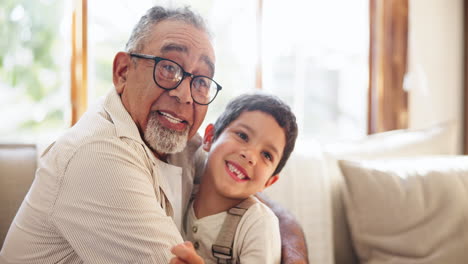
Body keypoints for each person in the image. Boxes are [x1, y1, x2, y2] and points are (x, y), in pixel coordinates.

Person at [0, 5, 307, 264]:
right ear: (123, 71)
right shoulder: (98, 155)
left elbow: (238, 183)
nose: (185, 94)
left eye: (201, 81)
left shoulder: (172, 139)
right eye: (169, 68)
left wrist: (281, 237)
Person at [171, 93, 298, 264]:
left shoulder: (259, 224)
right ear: (209, 138)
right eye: (243, 136)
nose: (250, 156)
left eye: (267, 155)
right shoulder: (181, 193)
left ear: (268, 182)